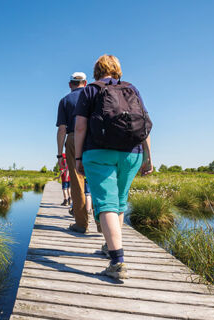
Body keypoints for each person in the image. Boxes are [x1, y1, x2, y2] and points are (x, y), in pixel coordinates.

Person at [74, 54, 153, 279]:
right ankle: (110, 247)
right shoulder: (132, 89)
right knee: (119, 201)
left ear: (97, 70)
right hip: (132, 153)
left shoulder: (90, 90)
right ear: (117, 69)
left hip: (98, 152)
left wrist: (78, 158)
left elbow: (80, 127)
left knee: (106, 202)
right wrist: (148, 157)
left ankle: (117, 261)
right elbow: (145, 125)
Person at [56, 72, 89, 233]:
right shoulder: (94, 95)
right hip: (94, 138)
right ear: (85, 82)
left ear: (70, 84)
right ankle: (103, 224)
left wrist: (58, 154)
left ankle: (81, 224)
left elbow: (62, 129)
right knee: (98, 180)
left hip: (73, 138)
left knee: (77, 182)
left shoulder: (65, 101)